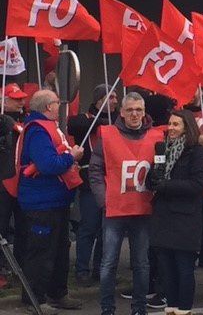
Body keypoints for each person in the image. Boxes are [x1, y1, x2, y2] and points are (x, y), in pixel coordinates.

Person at [89, 92, 165, 315]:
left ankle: (139, 308)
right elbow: (94, 169)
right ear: (121, 112)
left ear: (144, 112)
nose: (134, 114)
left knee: (141, 263)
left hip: (142, 208)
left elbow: (161, 169)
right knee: (108, 263)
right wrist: (104, 200)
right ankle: (107, 309)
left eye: (139, 110)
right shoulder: (108, 134)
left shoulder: (156, 137)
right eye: (130, 110)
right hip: (115, 209)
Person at [17, 89, 84, 315]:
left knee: (59, 250)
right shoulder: (37, 131)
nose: (61, 105)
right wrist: (71, 157)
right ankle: (34, 299)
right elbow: (48, 165)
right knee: (41, 251)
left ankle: (57, 293)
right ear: (48, 107)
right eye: (57, 102)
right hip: (41, 202)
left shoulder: (46, 128)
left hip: (54, 200)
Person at [146, 110, 203, 315]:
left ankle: (184, 310)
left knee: (183, 269)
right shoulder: (163, 149)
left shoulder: (197, 152)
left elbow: (197, 185)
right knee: (167, 270)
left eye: (176, 124)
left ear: (187, 127)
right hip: (163, 217)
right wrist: (154, 178)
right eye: (170, 124)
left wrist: (166, 185)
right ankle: (171, 309)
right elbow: (152, 179)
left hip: (185, 219)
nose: (171, 128)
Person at [67, 84, 118, 287]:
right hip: (90, 179)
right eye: (111, 97)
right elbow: (74, 125)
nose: (116, 100)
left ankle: (100, 268)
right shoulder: (87, 119)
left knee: (106, 230)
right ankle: (82, 270)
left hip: (112, 179)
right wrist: (100, 122)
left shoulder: (117, 121)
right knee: (89, 226)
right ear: (100, 100)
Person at [0, 83, 28, 287]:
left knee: (23, 227)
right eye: (16, 98)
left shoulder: (25, 119)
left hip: (22, 181)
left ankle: (20, 268)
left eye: (21, 98)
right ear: (4, 100)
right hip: (3, 182)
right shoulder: (4, 121)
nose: (21, 101)